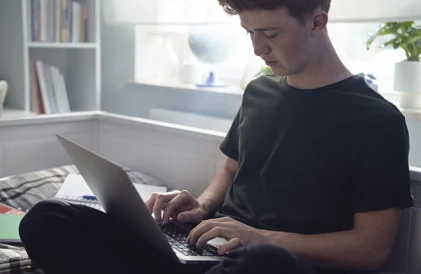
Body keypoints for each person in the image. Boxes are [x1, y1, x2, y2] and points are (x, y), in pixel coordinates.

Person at [19, 0, 414, 274]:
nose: (259, 48)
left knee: (264, 264)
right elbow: (230, 168)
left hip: (275, 266)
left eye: (270, 33)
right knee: (45, 218)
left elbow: (371, 250)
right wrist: (201, 205)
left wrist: (260, 238)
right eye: (249, 33)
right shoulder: (261, 92)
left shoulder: (377, 120)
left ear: (317, 21)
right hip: (208, 253)